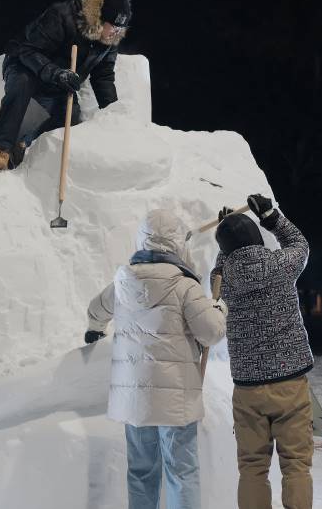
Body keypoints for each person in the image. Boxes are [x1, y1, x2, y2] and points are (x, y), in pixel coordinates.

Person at [85, 210, 227, 509]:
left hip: (134, 400)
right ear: (176, 243)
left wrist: (95, 329)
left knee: (141, 473)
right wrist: (218, 309)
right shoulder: (185, 285)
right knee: (182, 472)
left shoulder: (123, 281)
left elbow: (96, 309)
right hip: (175, 401)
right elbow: (211, 332)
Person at [213, 195, 314, 509]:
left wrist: (225, 234)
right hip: (289, 383)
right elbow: (299, 243)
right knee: (296, 464)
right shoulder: (281, 265)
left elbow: (219, 270)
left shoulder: (223, 281)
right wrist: (271, 217)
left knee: (252, 467)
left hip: (248, 389)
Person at [0, 0, 132, 171]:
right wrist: (56, 73)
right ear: (101, 17)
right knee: (21, 84)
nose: (116, 32)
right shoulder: (63, 15)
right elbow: (28, 50)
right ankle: (2, 149)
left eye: (120, 28)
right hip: (26, 64)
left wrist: (112, 112)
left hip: (58, 81)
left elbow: (103, 77)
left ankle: (23, 146)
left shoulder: (109, 42)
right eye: (113, 25)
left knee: (71, 116)